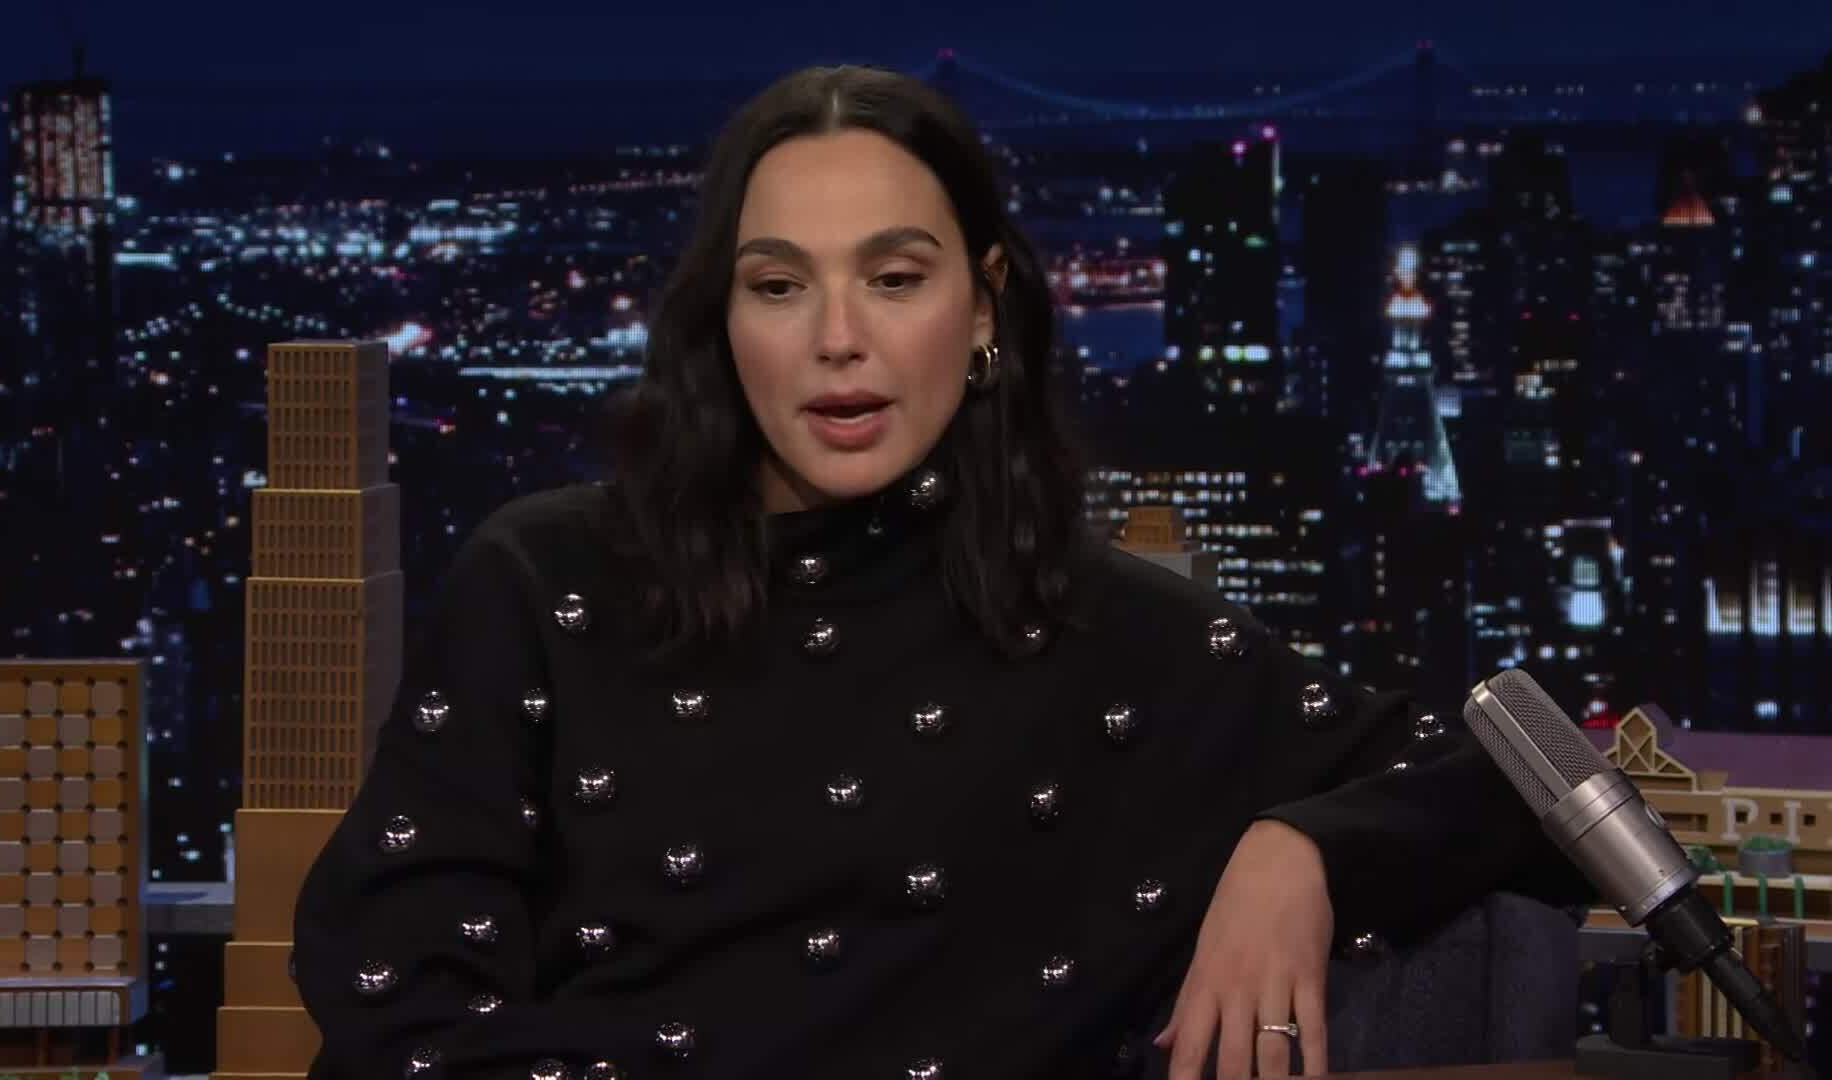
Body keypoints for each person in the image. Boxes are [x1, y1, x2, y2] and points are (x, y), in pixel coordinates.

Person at [291, 63, 1592, 1080]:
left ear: (981, 309)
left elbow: (1543, 794)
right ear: (723, 324)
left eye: (895, 278)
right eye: (779, 286)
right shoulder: (543, 583)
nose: (838, 339)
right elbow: (396, 1000)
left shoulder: (1111, 639)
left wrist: (1302, 847)